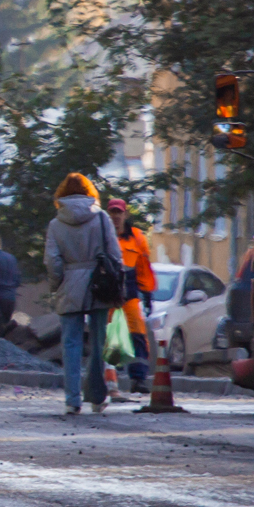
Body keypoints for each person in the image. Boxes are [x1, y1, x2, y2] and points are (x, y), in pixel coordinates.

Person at [45, 173, 124, 414]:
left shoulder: (56, 224)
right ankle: (98, 397)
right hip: (99, 284)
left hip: (70, 283)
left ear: (62, 195)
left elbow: (52, 261)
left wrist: (57, 284)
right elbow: (115, 253)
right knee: (99, 343)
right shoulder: (101, 218)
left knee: (70, 343)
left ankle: (72, 400)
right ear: (89, 192)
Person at [107, 198, 157, 392]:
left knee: (137, 334)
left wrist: (147, 294)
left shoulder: (136, 237)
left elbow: (143, 268)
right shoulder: (102, 234)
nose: (116, 216)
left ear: (125, 214)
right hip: (108, 293)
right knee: (110, 337)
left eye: (119, 212)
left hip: (130, 293)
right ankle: (110, 381)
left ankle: (139, 379)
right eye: (112, 212)